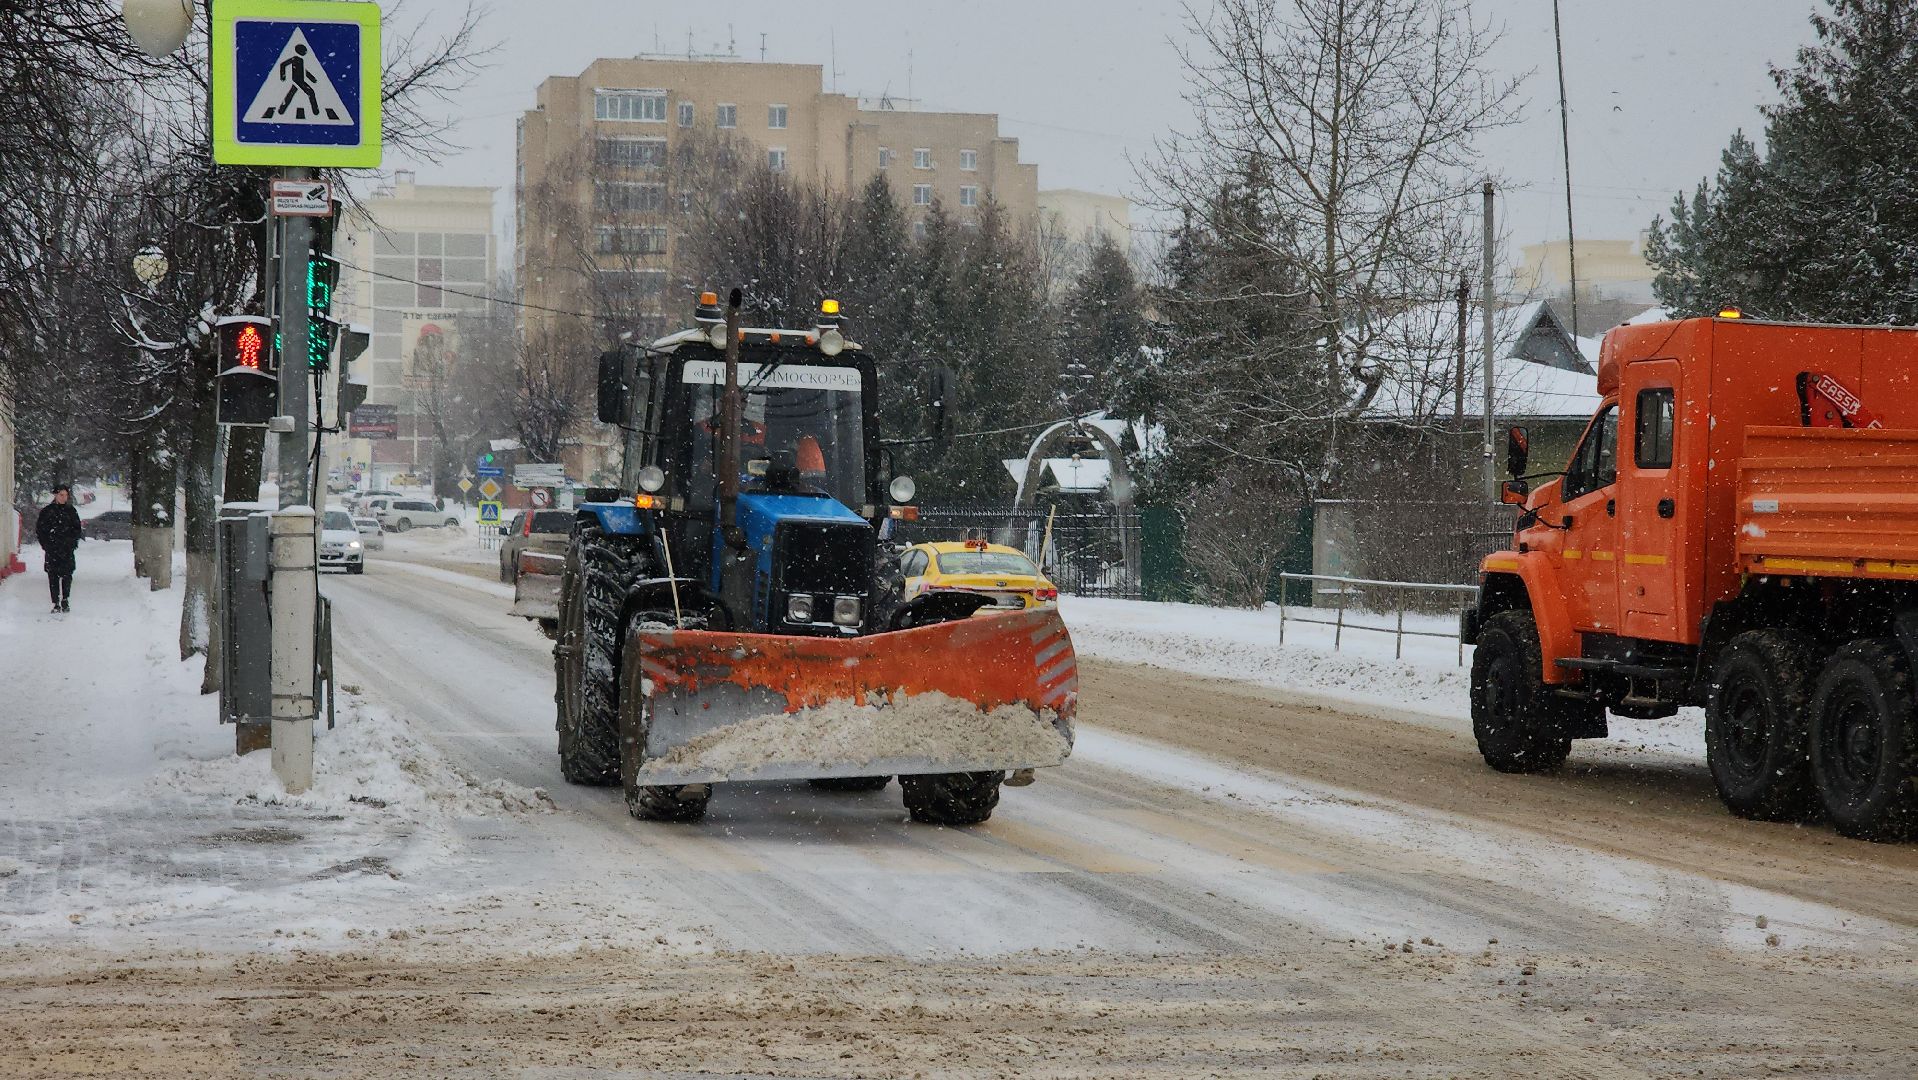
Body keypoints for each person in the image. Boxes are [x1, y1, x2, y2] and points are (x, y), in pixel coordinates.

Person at [35, 484, 83, 613]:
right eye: (61, 495)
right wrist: (46, 545)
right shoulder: (47, 512)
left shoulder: (71, 511)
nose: (64, 498)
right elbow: (40, 530)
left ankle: (65, 599)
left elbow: (77, 529)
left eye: (66, 495)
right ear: (55, 495)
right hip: (52, 550)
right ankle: (55, 602)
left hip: (67, 550)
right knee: (53, 576)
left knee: (67, 575)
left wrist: (72, 542)